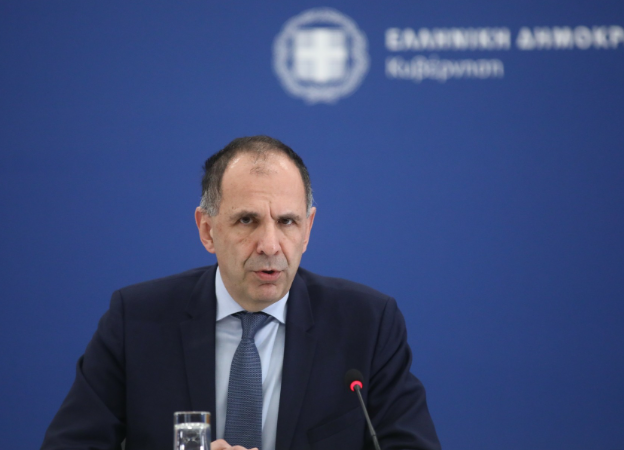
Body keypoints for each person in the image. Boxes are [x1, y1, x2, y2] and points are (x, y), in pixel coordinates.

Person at [41, 136, 441, 450]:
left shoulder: (367, 325)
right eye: (247, 220)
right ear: (207, 230)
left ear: (308, 230)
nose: (269, 244)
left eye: (287, 222)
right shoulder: (136, 321)